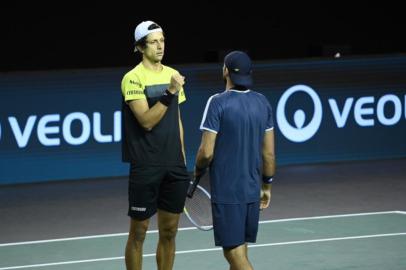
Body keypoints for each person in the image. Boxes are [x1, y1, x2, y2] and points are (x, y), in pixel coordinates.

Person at [194, 51, 276, 270]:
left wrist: (197, 170)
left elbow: (206, 152)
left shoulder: (217, 102)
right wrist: (266, 186)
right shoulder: (263, 102)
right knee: (241, 249)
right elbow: (268, 154)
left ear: (225, 71)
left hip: (228, 193)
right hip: (251, 190)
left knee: (234, 255)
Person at [120, 20, 190, 270]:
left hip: (174, 166)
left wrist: (182, 159)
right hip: (146, 165)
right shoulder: (132, 79)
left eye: (162, 40)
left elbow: (177, 120)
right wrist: (170, 92)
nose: (160, 46)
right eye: (153, 42)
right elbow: (146, 121)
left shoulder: (172, 73)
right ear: (140, 46)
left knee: (169, 232)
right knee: (139, 232)